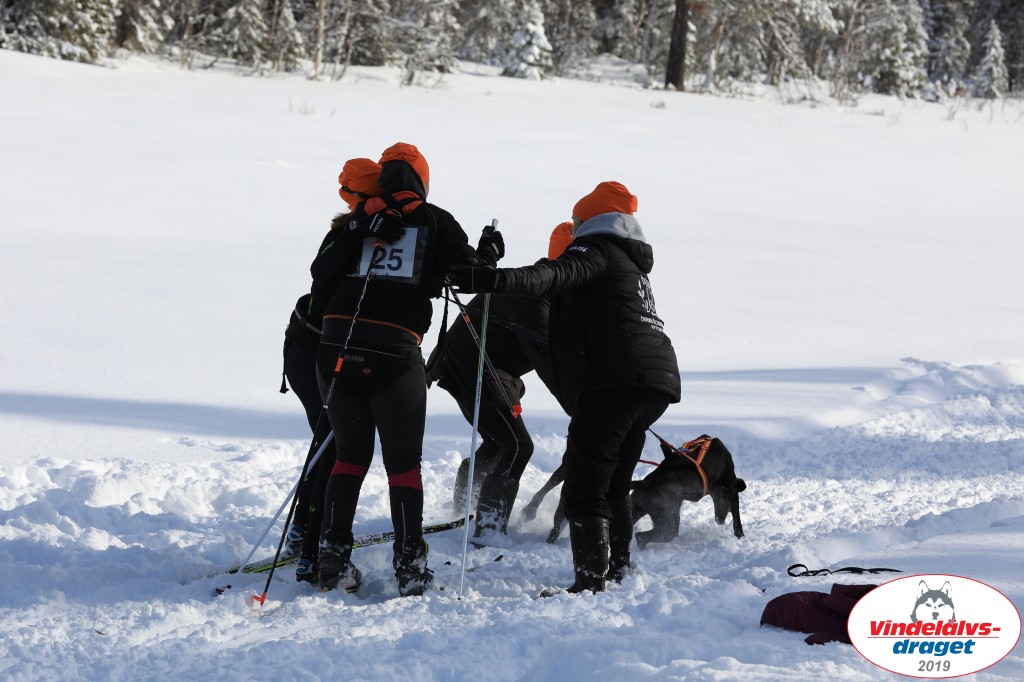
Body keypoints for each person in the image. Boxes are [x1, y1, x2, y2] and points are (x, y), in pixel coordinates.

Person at [450, 181, 680, 594]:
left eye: (577, 221)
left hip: (613, 383)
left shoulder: (595, 249)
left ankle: (589, 582)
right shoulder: (630, 264)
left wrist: (490, 278)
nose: (575, 228)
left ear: (591, 220)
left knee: (584, 487)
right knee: (612, 484)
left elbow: (552, 275)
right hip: (655, 381)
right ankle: (618, 569)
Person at [310, 142, 504, 596]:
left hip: (335, 348)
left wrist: (360, 225)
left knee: (349, 457)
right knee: (402, 466)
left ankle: (331, 560)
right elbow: (471, 277)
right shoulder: (435, 219)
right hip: (394, 354)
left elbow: (320, 272)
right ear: (422, 180)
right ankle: (410, 569)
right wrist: (489, 253)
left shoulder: (362, 217)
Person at [426, 223, 575, 540]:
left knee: (498, 443)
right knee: (517, 446)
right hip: (472, 369)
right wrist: (580, 404)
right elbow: (548, 356)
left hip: (485, 370)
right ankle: (489, 527)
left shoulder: (555, 292)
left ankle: (464, 508)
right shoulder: (534, 293)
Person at [281, 158, 384, 585]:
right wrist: (361, 228)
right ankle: (309, 544)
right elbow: (321, 275)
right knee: (333, 445)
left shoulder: (371, 230)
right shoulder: (345, 233)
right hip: (311, 351)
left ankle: (305, 531)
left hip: (326, 350)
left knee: (330, 443)